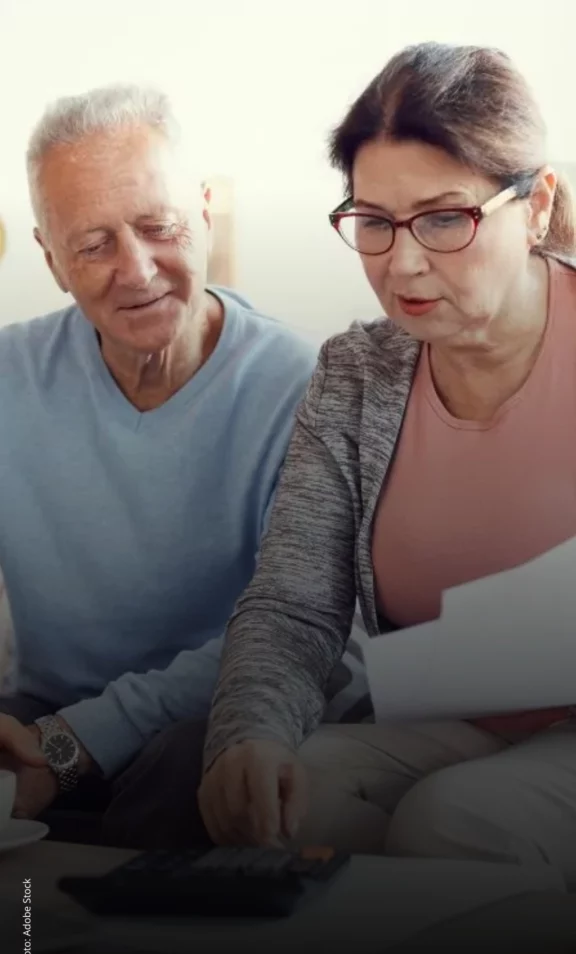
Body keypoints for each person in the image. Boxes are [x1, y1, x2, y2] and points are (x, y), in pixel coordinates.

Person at [198, 42, 576, 886]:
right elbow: (293, 605)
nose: (401, 263)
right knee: (291, 801)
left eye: (445, 218)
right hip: (456, 718)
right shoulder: (355, 373)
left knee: (460, 822)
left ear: (537, 203)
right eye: (373, 222)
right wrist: (250, 737)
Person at [0, 83, 367, 846]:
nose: (136, 270)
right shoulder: (9, 376)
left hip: (208, 724)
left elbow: (310, 632)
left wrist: (76, 743)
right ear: (51, 258)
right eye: (93, 244)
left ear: (204, 211)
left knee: (189, 771)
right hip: (41, 720)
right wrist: (44, 740)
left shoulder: (306, 387)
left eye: (157, 226)